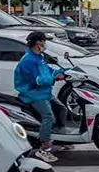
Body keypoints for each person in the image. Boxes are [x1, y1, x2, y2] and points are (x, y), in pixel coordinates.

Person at [13, 31, 66, 163]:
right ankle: (44, 148)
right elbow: (36, 80)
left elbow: (47, 70)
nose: (45, 43)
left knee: (62, 109)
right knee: (48, 117)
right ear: (38, 42)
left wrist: (62, 71)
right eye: (43, 40)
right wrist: (54, 77)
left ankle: (60, 138)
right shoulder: (28, 60)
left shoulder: (39, 56)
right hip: (33, 94)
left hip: (44, 92)